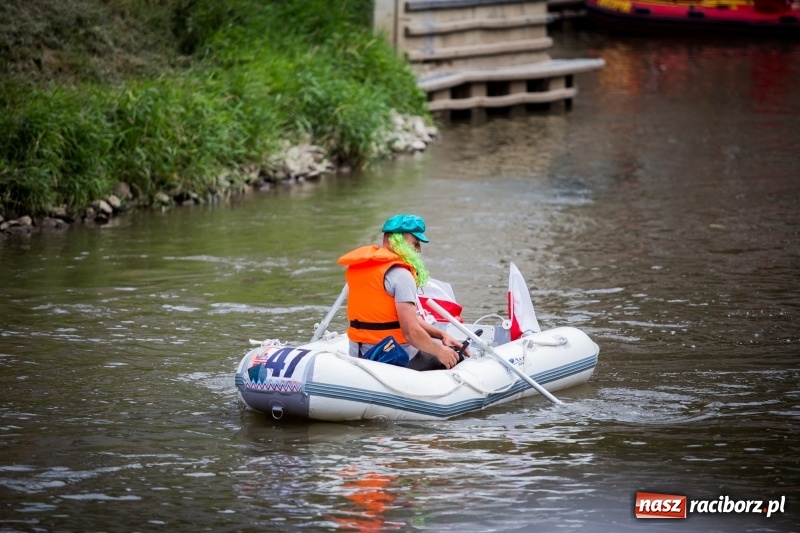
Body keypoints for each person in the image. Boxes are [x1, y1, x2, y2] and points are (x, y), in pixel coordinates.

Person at [338, 214, 464, 370]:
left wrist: (441, 335)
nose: (419, 250)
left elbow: (405, 318)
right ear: (397, 241)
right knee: (457, 358)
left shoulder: (359, 268)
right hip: (393, 356)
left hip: (358, 352)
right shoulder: (401, 275)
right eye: (415, 243)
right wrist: (440, 351)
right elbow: (411, 332)